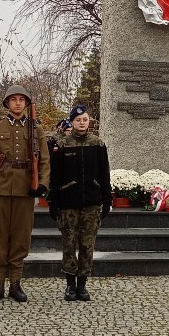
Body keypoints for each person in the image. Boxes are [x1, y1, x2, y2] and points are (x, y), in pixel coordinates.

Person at [0, 85, 50, 304]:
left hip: (25, 190)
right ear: (7, 103)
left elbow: (45, 160)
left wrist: (42, 184)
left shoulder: (35, 129)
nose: (18, 103)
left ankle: (16, 283)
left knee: (21, 237)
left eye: (22, 100)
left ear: (27, 104)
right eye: (13, 99)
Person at [48, 104, 112, 301]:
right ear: (72, 122)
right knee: (68, 244)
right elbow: (55, 176)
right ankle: (70, 285)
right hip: (68, 203)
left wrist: (107, 198)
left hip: (91, 203)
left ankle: (82, 284)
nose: (82, 123)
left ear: (89, 121)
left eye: (85, 119)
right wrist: (53, 201)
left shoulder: (98, 144)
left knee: (87, 245)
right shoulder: (61, 144)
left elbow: (104, 174)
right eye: (78, 120)